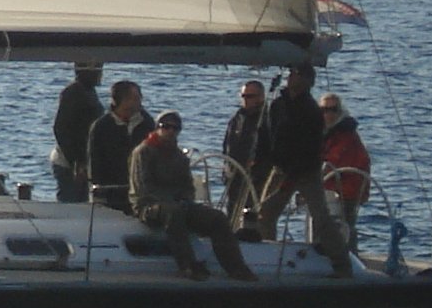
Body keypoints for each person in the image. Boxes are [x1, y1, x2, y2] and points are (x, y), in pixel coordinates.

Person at [129, 111, 254, 280]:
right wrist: (171, 202)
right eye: (165, 126)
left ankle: (236, 268)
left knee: (217, 218)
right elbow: (143, 188)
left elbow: (187, 186)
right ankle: (187, 265)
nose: (170, 131)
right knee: (174, 213)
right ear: (157, 128)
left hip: (178, 204)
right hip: (148, 205)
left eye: (174, 128)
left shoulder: (179, 156)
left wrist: (185, 200)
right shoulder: (143, 152)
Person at [260, 64, 352, 273]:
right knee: (265, 213)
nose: (292, 77)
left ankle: (342, 263)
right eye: (292, 73)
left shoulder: (311, 110)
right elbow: (268, 134)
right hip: (280, 167)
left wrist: (293, 175)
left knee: (321, 217)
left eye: (298, 74)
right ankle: (267, 259)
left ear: (309, 81)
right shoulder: (278, 105)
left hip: (305, 171)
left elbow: (310, 148)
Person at [83, 78, 155, 214]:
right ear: (121, 101)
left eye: (139, 97)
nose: (139, 101)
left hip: (141, 190)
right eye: (134, 98)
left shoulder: (147, 123)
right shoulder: (101, 126)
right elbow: (95, 162)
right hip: (111, 190)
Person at [220, 78, 275, 239]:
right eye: (244, 96)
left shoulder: (268, 119)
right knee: (232, 216)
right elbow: (227, 145)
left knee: (255, 218)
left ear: (261, 97)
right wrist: (227, 168)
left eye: (250, 96)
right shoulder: (237, 118)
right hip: (235, 176)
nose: (246, 100)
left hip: (257, 178)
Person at [319, 92, 374, 248]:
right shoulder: (329, 132)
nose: (328, 114)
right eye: (324, 110)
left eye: (333, 109)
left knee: (344, 227)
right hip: (336, 185)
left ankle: (347, 257)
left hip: (347, 188)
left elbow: (333, 162)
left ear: (339, 111)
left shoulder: (345, 135)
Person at [50, 61, 104, 203]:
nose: (100, 73)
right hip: (69, 163)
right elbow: (61, 128)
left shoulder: (89, 91)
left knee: (82, 204)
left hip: (83, 161)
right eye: (97, 69)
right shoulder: (73, 93)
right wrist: (76, 161)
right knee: (70, 205)